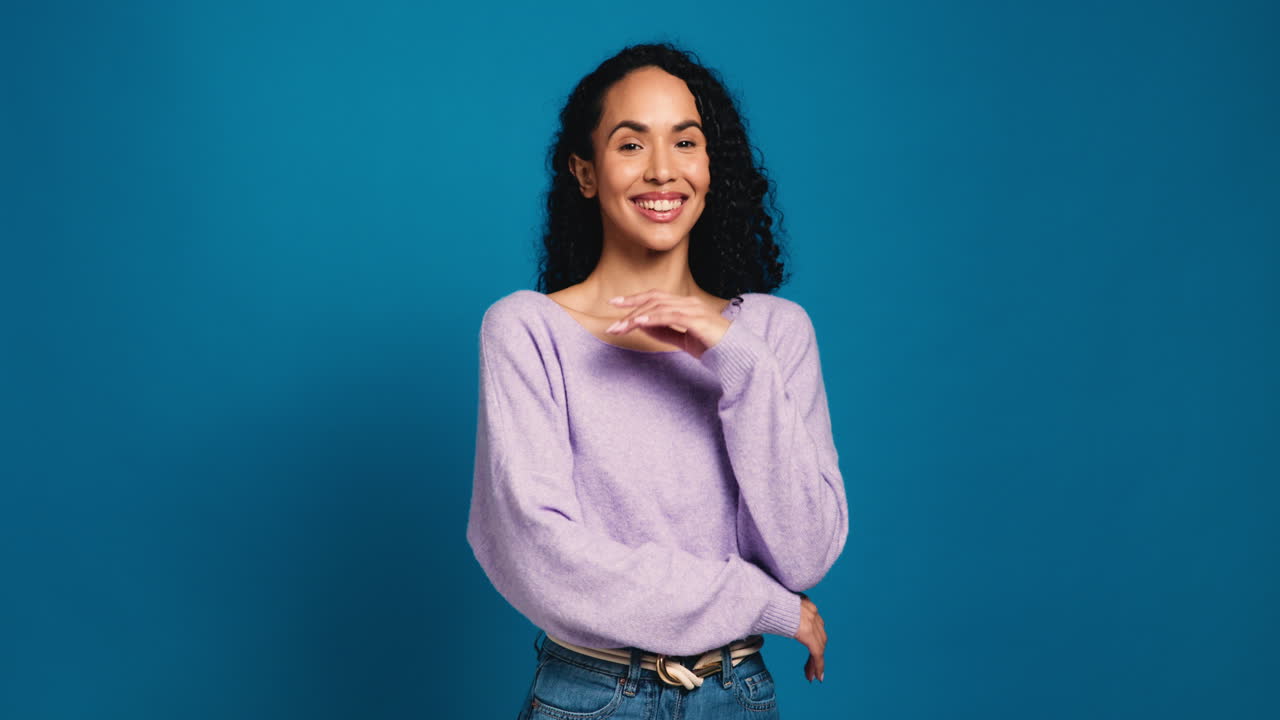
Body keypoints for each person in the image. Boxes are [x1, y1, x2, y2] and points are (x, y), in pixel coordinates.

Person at [466, 42, 849, 719]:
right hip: (590, 695)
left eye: (686, 142)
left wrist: (737, 360)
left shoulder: (775, 335)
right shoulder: (526, 331)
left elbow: (805, 552)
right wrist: (765, 605)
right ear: (586, 173)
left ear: (711, 166)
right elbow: (547, 561)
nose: (663, 171)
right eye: (631, 145)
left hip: (737, 695)